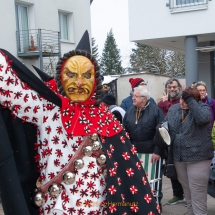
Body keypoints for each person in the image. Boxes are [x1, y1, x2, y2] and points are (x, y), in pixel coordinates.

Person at [0, 32, 161, 215]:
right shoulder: (47, 109)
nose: (78, 82)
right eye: (71, 74)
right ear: (61, 77)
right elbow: (8, 84)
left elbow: (127, 169)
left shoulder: (107, 119)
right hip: (57, 208)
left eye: (86, 75)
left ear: (95, 80)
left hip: (95, 206)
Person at [158, 87, 214, 215]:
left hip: (199, 158)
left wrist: (191, 103)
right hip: (179, 158)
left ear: (195, 100)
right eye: (182, 99)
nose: (182, 102)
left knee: (197, 192)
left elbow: (203, 119)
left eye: (187, 100)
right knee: (187, 191)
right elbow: (166, 124)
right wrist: (161, 128)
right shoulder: (174, 109)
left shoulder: (203, 108)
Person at [123, 85, 165, 209]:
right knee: (136, 181)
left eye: (136, 96)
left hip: (152, 153)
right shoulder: (130, 111)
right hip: (134, 152)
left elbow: (162, 132)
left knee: (154, 181)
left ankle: (156, 205)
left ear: (145, 98)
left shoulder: (156, 111)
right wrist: (128, 150)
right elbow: (125, 131)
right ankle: (140, 205)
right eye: (133, 95)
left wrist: (157, 151)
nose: (133, 98)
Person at [157, 78, 185, 205]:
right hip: (167, 141)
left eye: (174, 87)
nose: (172, 89)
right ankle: (177, 194)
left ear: (178, 88)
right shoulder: (162, 102)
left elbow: (175, 115)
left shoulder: (182, 101)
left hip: (180, 141)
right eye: (169, 87)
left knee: (183, 169)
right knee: (171, 168)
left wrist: (165, 104)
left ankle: (187, 194)